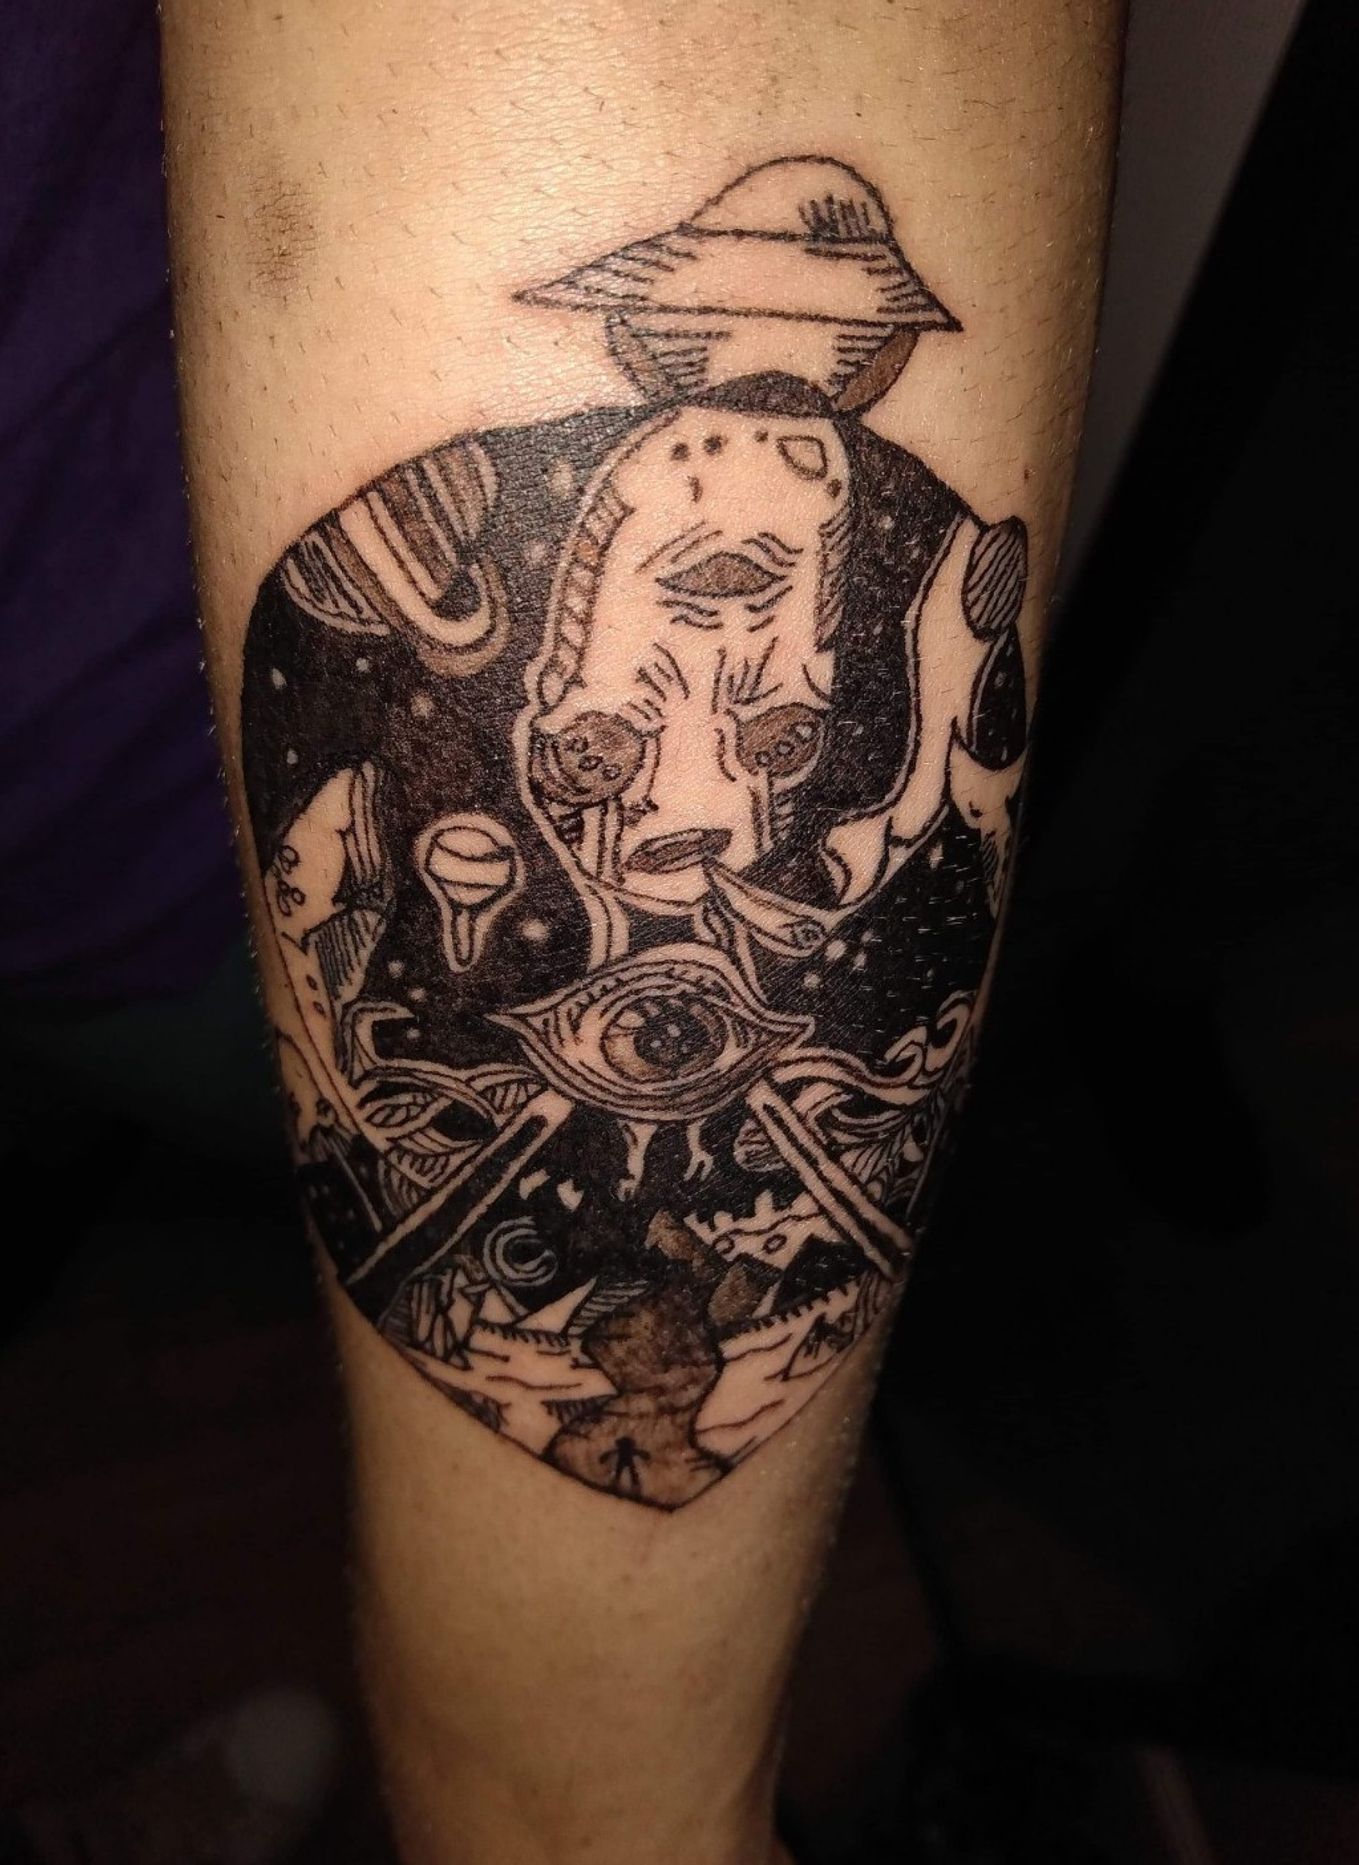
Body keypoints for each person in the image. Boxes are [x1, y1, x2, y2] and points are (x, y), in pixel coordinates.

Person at [160, 1, 1121, 1859]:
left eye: (818, 360)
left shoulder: (825, 521)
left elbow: (819, 771)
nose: (777, 391)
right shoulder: (618, 505)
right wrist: (588, 1813)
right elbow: (580, 709)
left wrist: (902, 725)